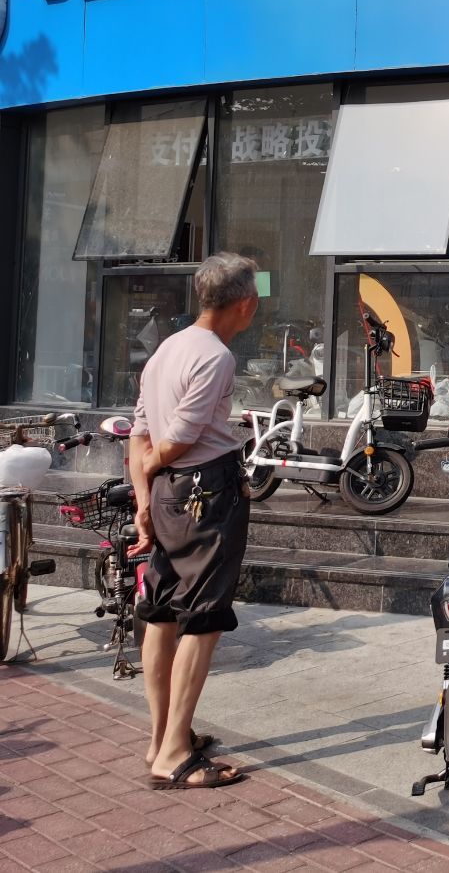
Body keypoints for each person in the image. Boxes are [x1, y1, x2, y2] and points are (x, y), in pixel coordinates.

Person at [129, 252, 260, 790]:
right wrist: (155, 465)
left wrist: (144, 498)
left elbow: (139, 430)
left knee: (162, 611)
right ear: (246, 303)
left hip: (168, 494)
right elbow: (177, 437)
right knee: (203, 618)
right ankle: (174, 754)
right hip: (205, 491)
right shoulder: (215, 356)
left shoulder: (168, 347)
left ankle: (162, 738)